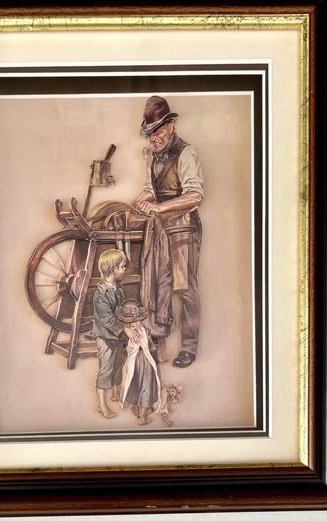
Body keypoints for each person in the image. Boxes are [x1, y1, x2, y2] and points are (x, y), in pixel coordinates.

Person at [132, 95, 204, 368]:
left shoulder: (186, 153)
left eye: (157, 131)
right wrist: (139, 202)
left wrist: (161, 208)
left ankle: (188, 348)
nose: (153, 138)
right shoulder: (151, 155)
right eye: (150, 134)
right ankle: (158, 340)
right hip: (161, 228)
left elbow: (195, 195)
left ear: (170, 126)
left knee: (185, 288)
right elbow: (150, 189)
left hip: (184, 227)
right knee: (158, 285)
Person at [92, 249, 139, 418]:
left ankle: (116, 394)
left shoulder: (118, 288)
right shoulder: (100, 295)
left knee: (118, 365)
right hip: (105, 338)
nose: (124, 269)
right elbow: (108, 320)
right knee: (105, 370)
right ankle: (102, 406)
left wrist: (131, 321)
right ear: (112, 269)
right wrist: (126, 329)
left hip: (117, 337)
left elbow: (120, 311)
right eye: (121, 266)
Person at [117, 299, 161, 426]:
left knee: (142, 384)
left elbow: (151, 348)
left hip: (144, 361)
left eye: (137, 321)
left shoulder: (143, 331)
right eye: (133, 322)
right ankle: (139, 412)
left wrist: (156, 364)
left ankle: (141, 414)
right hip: (136, 362)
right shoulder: (128, 333)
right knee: (136, 384)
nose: (136, 324)